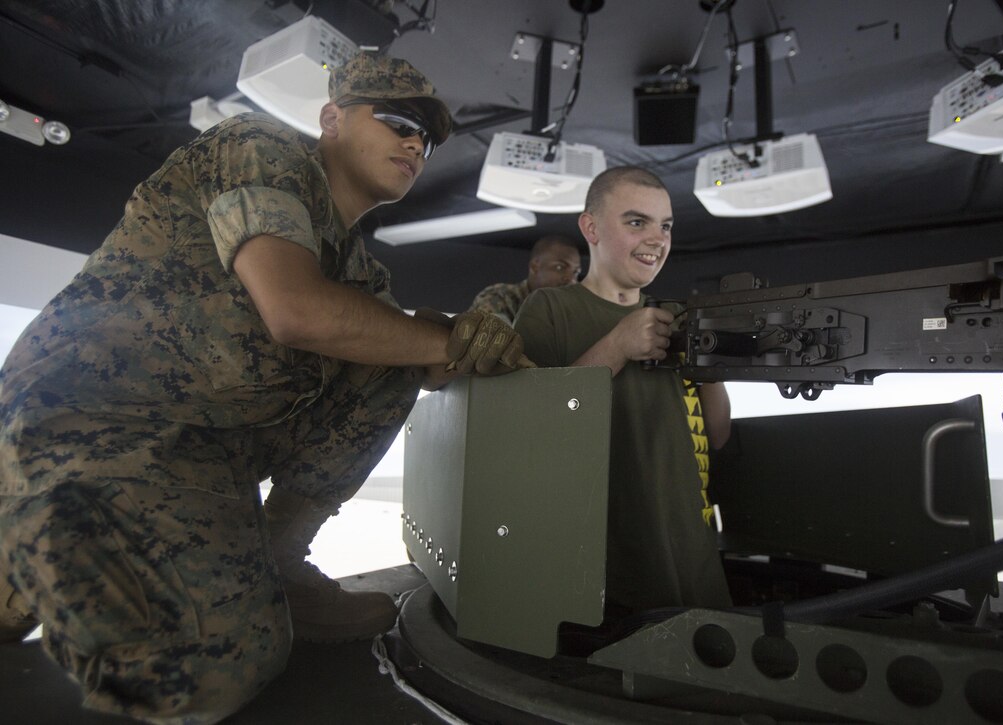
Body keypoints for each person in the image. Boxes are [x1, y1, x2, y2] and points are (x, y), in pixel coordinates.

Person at [0, 52, 530, 722]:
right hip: (85, 422)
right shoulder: (263, 150)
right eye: (396, 120)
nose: (414, 142)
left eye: (425, 137)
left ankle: (280, 556)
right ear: (331, 119)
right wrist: (443, 337)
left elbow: (405, 352)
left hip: (194, 454)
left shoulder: (362, 277)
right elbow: (295, 309)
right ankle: (26, 545)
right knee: (204, 676)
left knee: (393, 350)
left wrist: (462, 341)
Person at [515, 166, 731, 619]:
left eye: (666, 225)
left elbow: (716, 435)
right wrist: (618, 345)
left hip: (689, 545)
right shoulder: (551, 309)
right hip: (602, 556)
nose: (657, 239)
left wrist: (714, 362)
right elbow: (533, 427)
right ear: (590, 228)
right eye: (637, 222)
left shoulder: (678, 316)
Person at [469, 234, 582, 324]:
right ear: (535, 267)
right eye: (560, 267)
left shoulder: (566, 313)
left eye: (575, 272)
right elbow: (495, 346)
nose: (571, 279)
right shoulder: (500, 297)